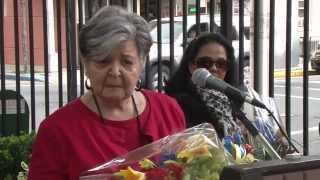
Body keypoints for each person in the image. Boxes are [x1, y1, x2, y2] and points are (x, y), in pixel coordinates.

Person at [28, 6, 185, 179]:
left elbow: (188, 169)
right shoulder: (57, 130)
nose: (115, 72)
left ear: (141, 63)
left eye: (126, 62)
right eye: (103, 61)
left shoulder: (169, 110)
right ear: (86, 64)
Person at [165, 32, 237, 139]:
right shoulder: (174, 104)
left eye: (221, 64)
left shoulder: (231, 101)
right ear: (191, 66)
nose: (214, 68)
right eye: (205, 62)